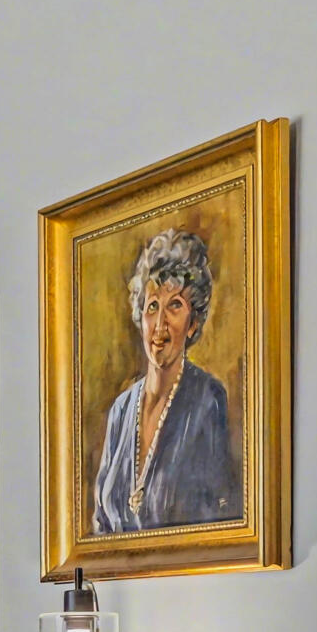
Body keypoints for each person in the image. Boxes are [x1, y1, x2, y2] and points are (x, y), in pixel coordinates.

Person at [90, 228, 240, 536]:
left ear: (193, 323)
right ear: (140, 317)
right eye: (152, 306)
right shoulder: (121, 409)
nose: (160, 325)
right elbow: (101, 521)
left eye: (175, 306)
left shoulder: (208, 399)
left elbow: (217, 517)